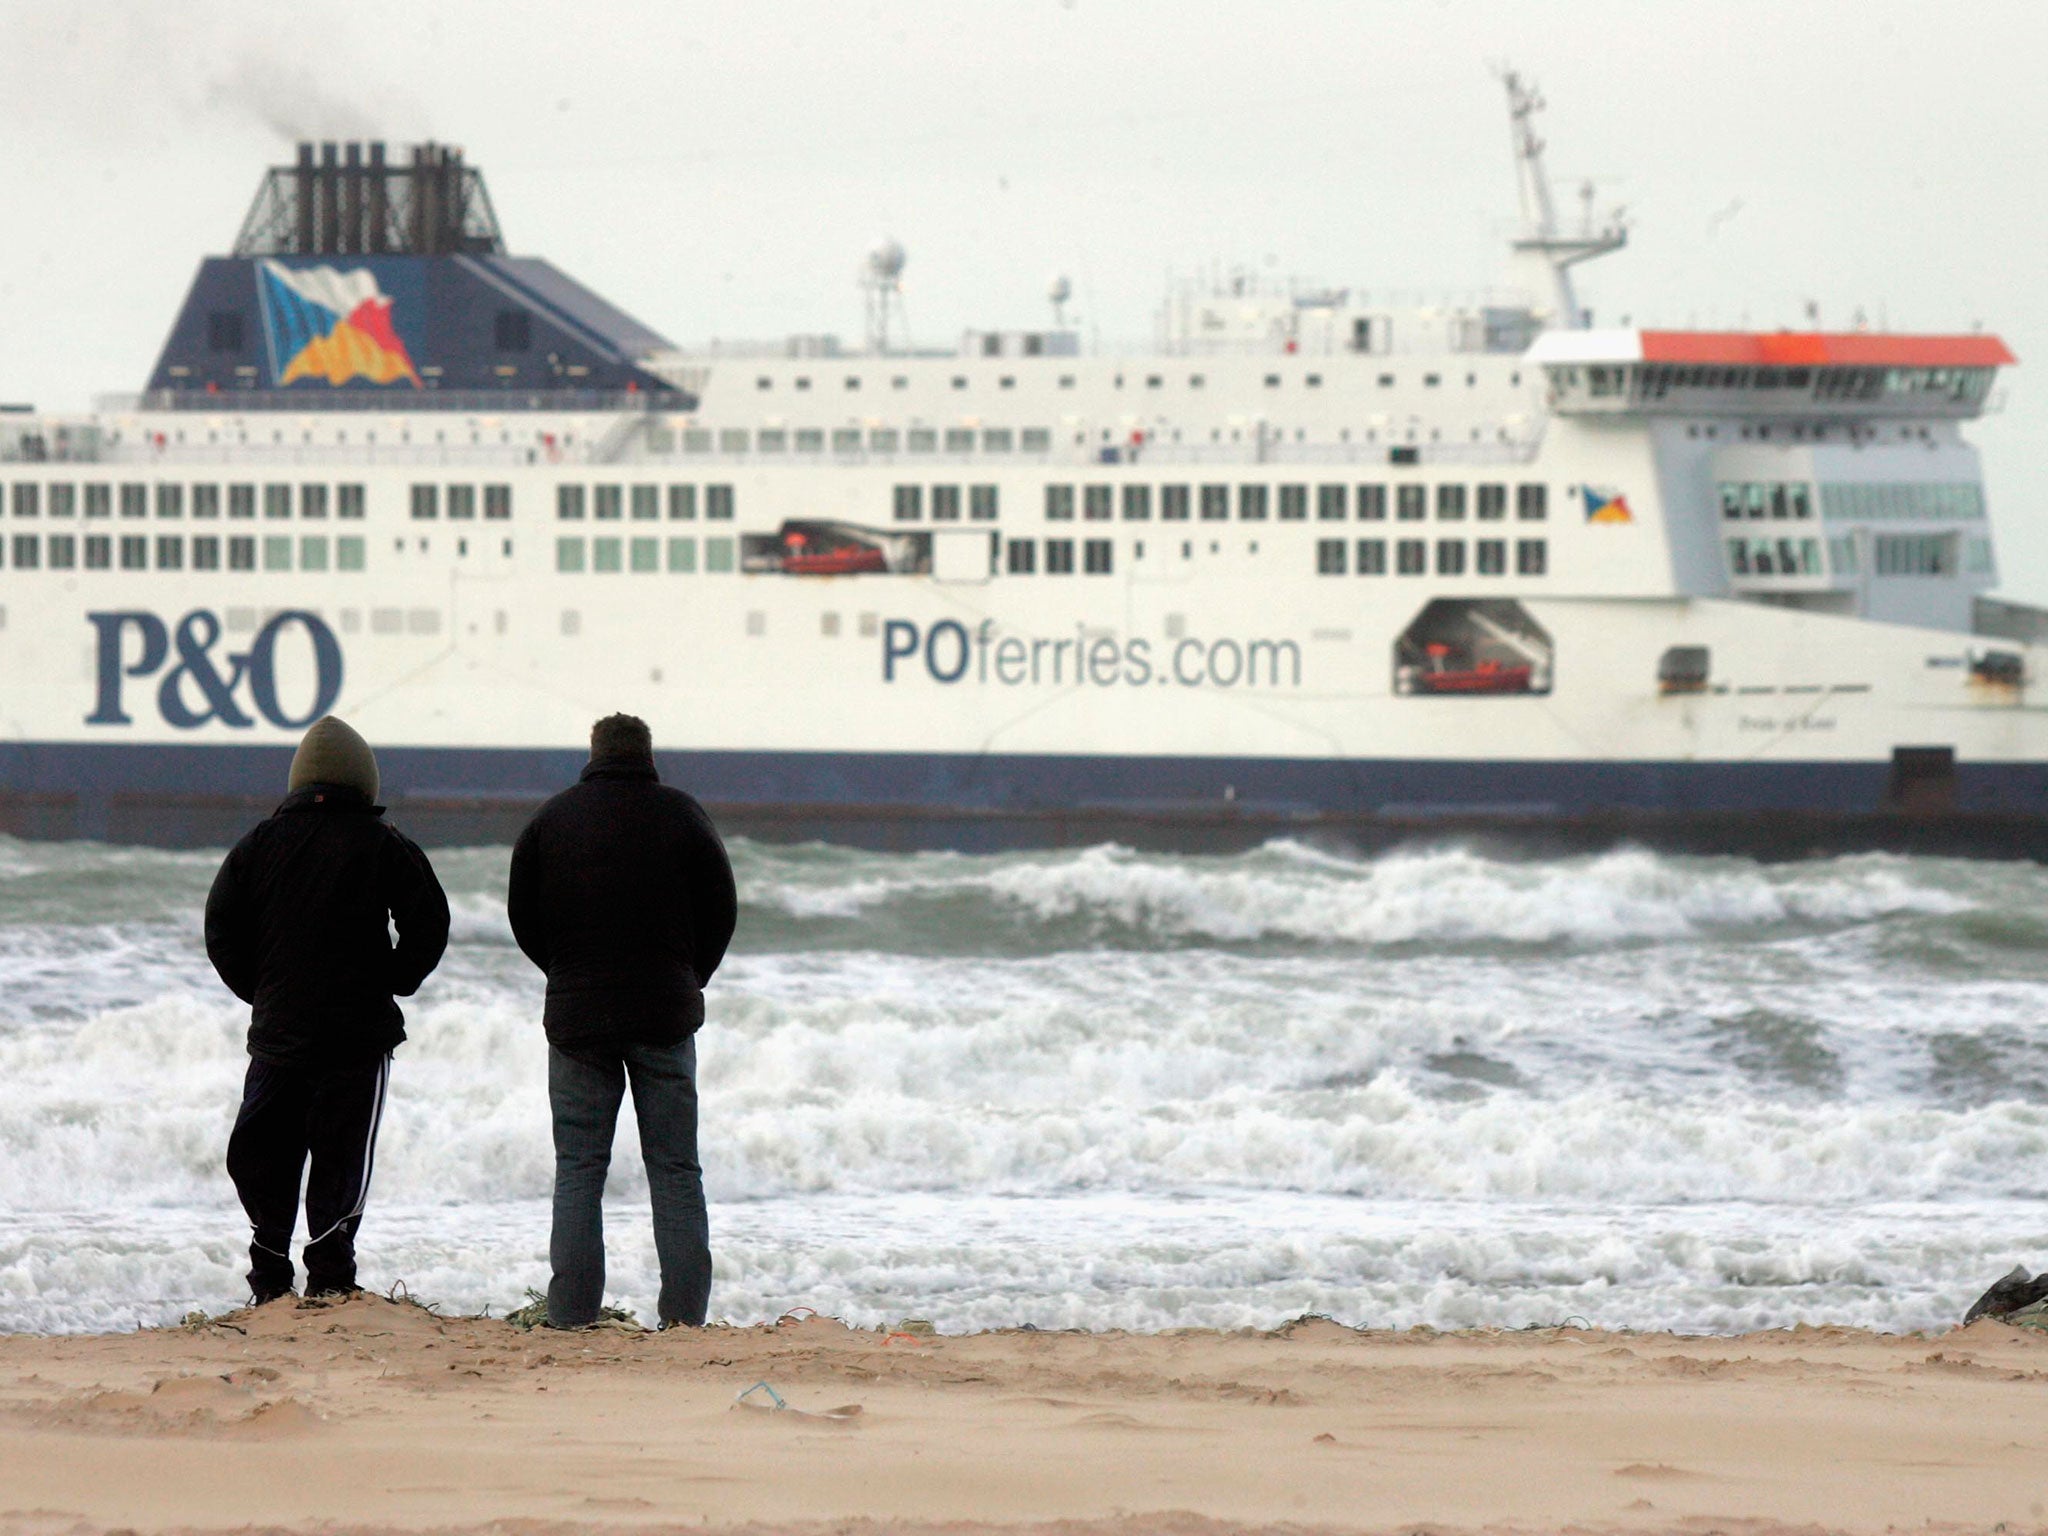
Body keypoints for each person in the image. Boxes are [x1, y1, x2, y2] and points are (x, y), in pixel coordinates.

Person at [204, 716, 449, 1304]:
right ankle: (332, 1279)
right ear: (364, 781)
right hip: (357, 1040)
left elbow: (221, 931)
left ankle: (268, 1277)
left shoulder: (257, 845)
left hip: (279, 1036)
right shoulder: (384, 842)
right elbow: (430, 921)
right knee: (343, 1160)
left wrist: (262, 992)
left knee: (264, 1152)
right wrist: (396, 979)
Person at [507, 713, 736, 1329]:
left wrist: (564, 971)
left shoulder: (552, 819)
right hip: (664, 1010)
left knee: (580, 1166)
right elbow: (722, 909)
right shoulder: (683, 814)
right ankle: (684, 1321)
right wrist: (691, 974)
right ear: (648, 755)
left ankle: (571, 1315)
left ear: (594, 753)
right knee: (676, 1167)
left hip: (579, 1016)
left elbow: (522, 915)